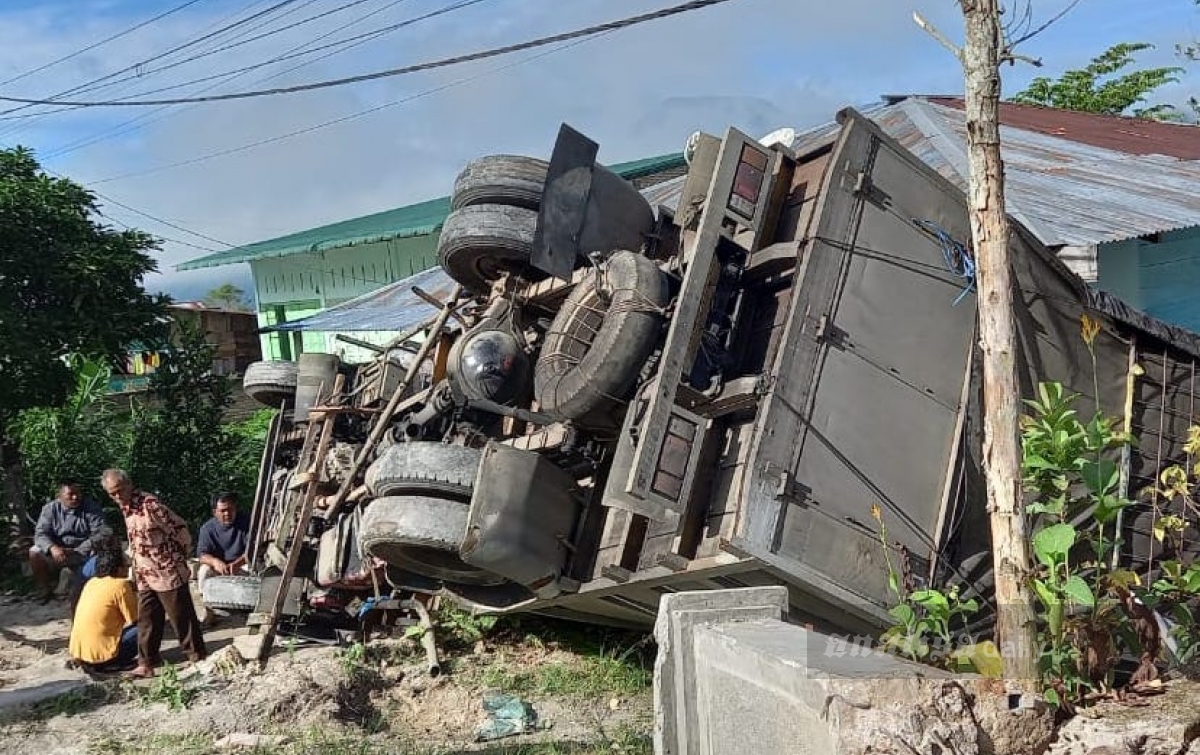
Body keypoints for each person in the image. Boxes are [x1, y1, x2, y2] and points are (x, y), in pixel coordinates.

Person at [100, 468, 206, 678]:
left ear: (129, 485)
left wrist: (179, 557)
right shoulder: (126, 508)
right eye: (112, 494)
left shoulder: (151, 506)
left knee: (180, 616)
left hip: (167, 570)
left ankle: (197, 657)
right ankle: (146, 662)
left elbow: (180, 529)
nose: (117, 496)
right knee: (147, 618)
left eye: (120, 490)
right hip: (145, 572)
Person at [29, 482, 110, 607]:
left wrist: (79, 549)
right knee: (34, 552)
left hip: (83, 551)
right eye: (70, 494)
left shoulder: (91, 508)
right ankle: (44, 589)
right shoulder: (50, 509)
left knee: (104, 552)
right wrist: (52, 548)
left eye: (78, 493)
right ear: (59, 496)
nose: (75, 497)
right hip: (58, 551)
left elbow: (102, 533)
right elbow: (40, 534)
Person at [68, 547, 138, 674]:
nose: (128, 569)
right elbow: (135, 619)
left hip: (80, 653)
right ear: (118, 568)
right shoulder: (120, 585)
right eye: (127, 566)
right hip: (103, 657)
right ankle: (116, 663)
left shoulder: (91, 582)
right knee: (148, 625)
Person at [196, 492, 250, 594]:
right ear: (215, 512)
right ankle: (205, 602)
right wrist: (215, 562)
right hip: (219, 568)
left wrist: (238, 563)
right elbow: (202, 555)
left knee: (253, 570)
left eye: (230, 509)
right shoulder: (207, 528)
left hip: (242, 564)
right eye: (223, 511)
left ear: (235, 509)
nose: (227, 514)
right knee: (204, 571)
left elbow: (254, 550)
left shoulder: (247, 523)